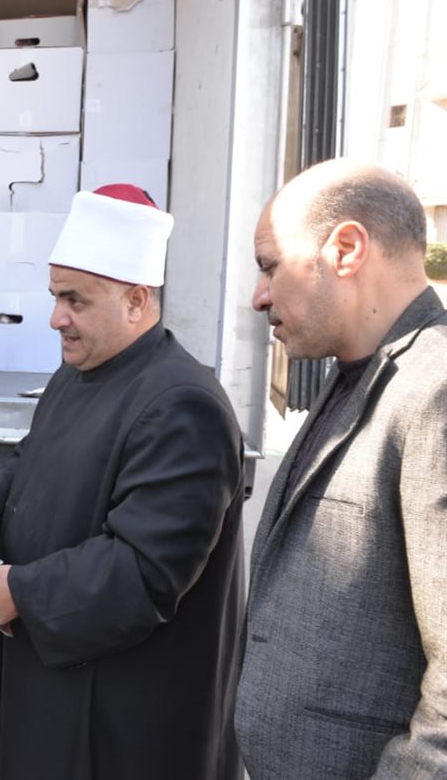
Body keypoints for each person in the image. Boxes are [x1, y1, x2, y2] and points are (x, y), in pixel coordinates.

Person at [0, 184, 246, 780]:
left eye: (74, 300)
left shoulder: (183, 405)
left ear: (136, 301)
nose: (57, 318)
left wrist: (17, 591)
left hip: (117, 715)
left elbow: (144, 572)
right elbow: (34, 460)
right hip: (51, 688)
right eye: (56, 297)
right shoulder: (80, 371)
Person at [235, 160, 447, 778]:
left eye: (270, 266)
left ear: (346, 249)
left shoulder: (433, 391)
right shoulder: (357, 374)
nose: (259, 297)